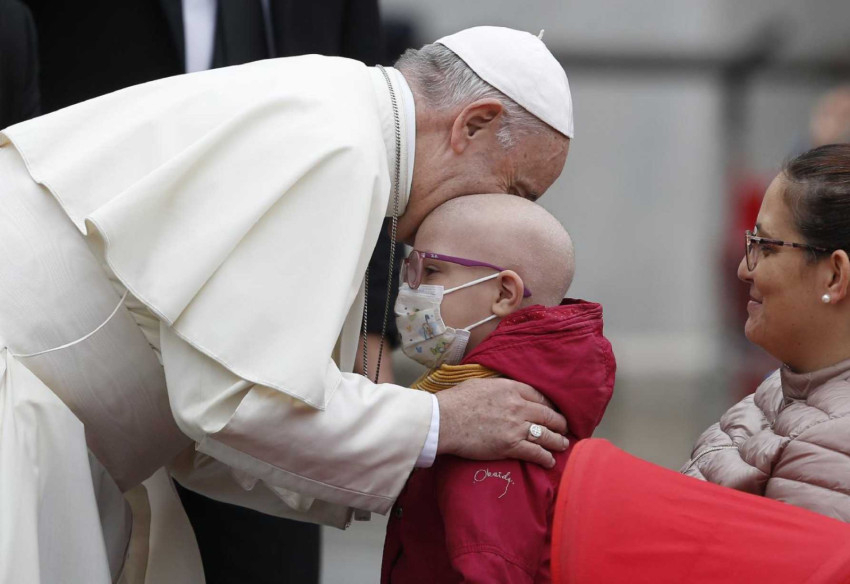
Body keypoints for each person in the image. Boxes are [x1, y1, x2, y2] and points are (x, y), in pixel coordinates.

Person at [0, 26, 574, 583]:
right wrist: (441, 422)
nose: (507, 217)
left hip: (63, 430)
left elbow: (210, 430)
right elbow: (236, 402)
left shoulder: (339, 114)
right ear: (473, 124)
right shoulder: (342, 146)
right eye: (516, 191)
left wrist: (420, 457)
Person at [381, 194, 615, 583]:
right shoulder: (486, 392)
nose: (410, 290)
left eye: (432, 270)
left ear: (504, 293)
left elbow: (489, 570)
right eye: (410, 270)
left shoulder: (499, 424)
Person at [682, 143, 850, 522]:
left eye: (766, 247)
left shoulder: (834, 449)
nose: (745, 270)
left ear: (834, 276)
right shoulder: (784, 386)